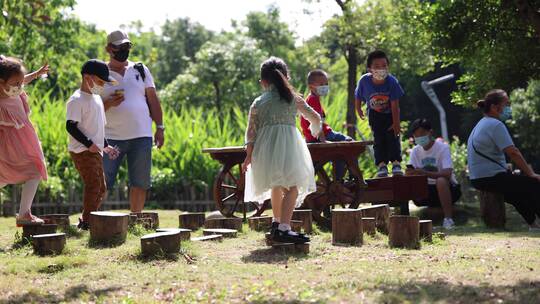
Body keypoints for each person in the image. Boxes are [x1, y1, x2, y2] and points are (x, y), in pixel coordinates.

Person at [242, 57, 323, 244]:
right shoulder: (293, 99)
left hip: (264, 150)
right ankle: (284, 228)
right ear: (287, 77)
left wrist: (249, 155)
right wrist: (315, 129)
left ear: (263, 82)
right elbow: (315, 117)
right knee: (293, 186)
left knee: (276, 185)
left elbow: (250, 132)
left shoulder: (258, 102)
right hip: (289, 148)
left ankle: (276, 223)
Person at [101, 30, 165, 212]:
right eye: (119, 47)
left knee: (140, 181)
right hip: (110, 137)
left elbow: (153, 100)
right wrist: (108, 103)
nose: (123, 49)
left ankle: (135, 221)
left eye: (126, 46)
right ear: (108, 48)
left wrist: (160, 127)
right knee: (102, 181)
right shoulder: (100, 72)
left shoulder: (141, 69)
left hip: (141, 136)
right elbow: (92, 108)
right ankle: (90, 221)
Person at [467, 89, 540, 231]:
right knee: (533, 184)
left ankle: (533, 225)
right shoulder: (495, 125)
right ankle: (533, 224)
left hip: (479, 178)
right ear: (495, 107)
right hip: (490, 178)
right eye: (506, 104)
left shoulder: (482, 123)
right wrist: (531, 174)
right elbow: (513, 152)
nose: (508, 108)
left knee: (517, 192)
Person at [66, 59, 120, 230]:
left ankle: (88, 219)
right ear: (87, 77)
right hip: (82, 150)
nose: (102, 85)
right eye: (100, 81)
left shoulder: (96, 99)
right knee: (94, 185)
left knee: (101, 187)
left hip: (95, 150)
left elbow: (97, 128)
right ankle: (88, 222)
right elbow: (71, 126)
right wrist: (89, 143)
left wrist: (106, 146)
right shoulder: (76, 100)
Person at [0, 55, 49, 226]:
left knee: (4, 177)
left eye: (21, 82)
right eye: (16, 84)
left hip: (24, 139)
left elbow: (22, 80)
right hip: (11, 144)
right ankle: (24, 214)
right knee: (34, 169)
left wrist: (36, 74)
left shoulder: (14, 89)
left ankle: (24, 214)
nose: (20, 86)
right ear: (0, 82)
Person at [355, 50, 405, 177]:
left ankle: (395, 163)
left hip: (390, 114)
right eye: (377, 67)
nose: (381, 69)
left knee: (393, 137)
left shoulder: (392, 82)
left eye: (384, 66)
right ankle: (381, 165)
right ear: (370, 69)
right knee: (379, 139)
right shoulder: (364, 81)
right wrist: (358, 109)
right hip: (374, 114)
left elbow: (395, 104)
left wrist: (396, 123)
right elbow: (358, 95)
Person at [407, 118, 461, 229]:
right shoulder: (415, 151)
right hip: (425, 192)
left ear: (430, 132)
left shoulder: (443, 148)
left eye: (422, 134)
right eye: (416, 135)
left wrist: (423, 172)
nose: (419, 138)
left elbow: (447, 174)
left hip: (449, 190)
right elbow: (410, 173)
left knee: (441, 180)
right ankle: (405, 219)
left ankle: (448, 219)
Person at [300, 69, 352, 180]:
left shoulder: (312, 99)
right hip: (323, 135)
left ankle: (339, 177)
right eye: (321, 84)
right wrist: (323, 140)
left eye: (326, 84)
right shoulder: (313, 100)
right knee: (349, 144)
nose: (325, 86)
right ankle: (341, 178)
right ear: (311, 87)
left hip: (314, 136)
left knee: (344, 148)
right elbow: (316, 122)